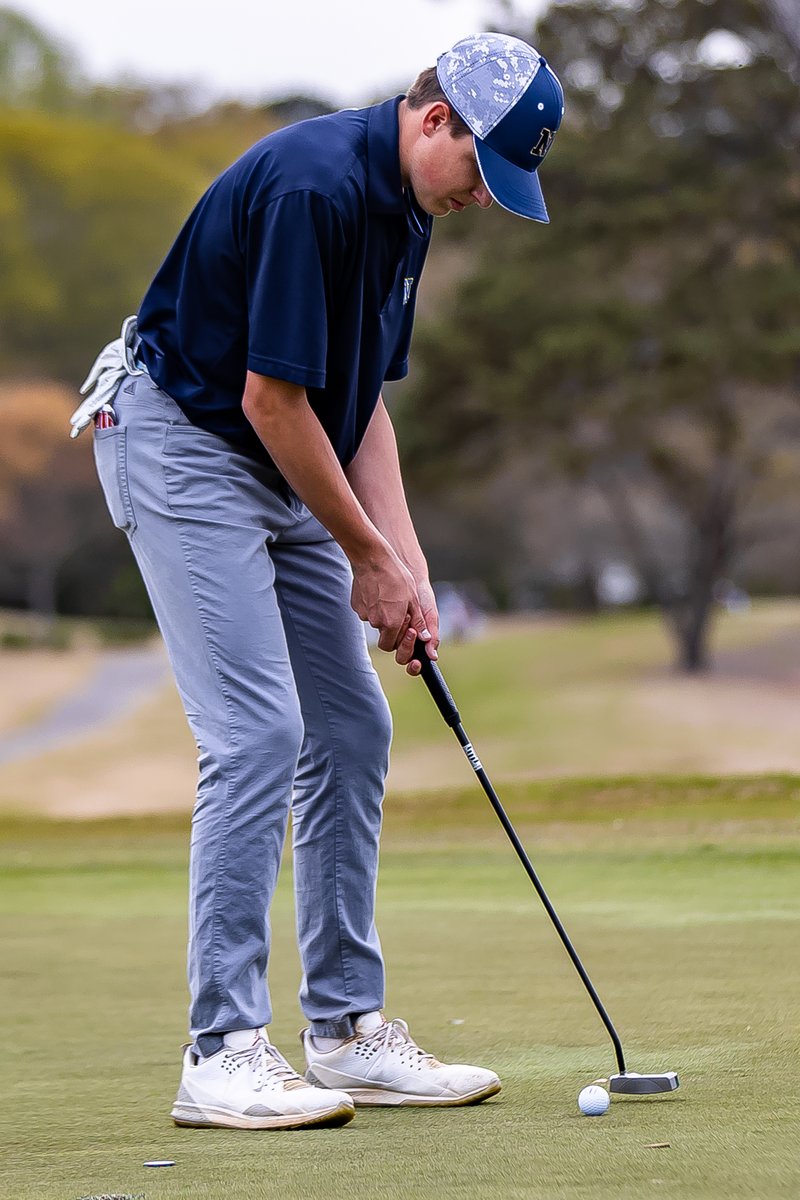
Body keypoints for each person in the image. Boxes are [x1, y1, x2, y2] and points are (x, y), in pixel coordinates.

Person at [71, 32, 564, 1131]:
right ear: (431, 120)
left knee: (349, 729)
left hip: (283, 450)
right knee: (254, 734)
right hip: (186, 441)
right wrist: (365, 557)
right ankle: (221, 1052)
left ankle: (344, 1033)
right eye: (484, 168)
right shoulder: (313, 188)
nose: (487, 195)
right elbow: (271, 403)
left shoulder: (408, 209)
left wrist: (408, 563)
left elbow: (358, 403)